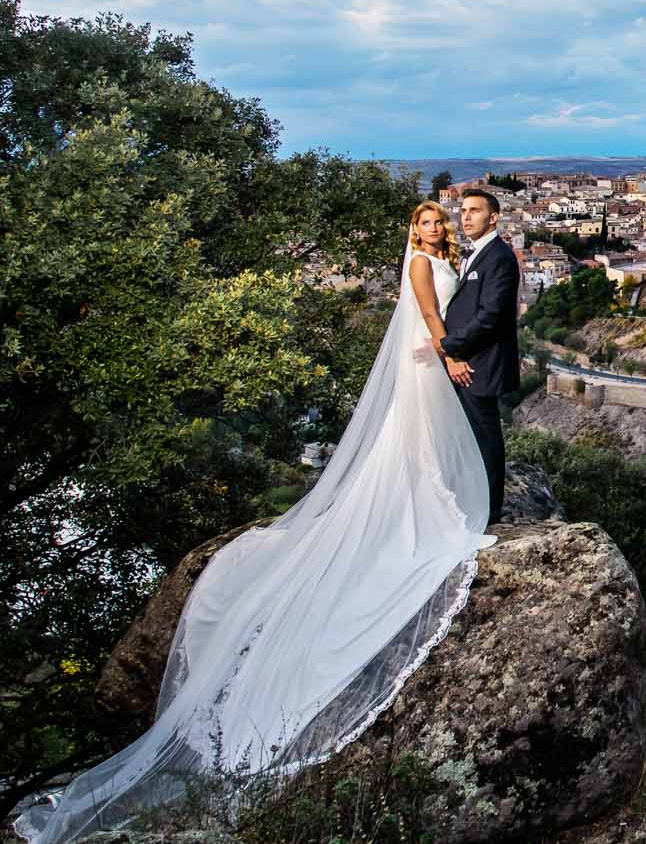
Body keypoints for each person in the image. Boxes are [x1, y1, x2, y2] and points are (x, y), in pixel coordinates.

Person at [12, 201, 498, 843]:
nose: (437, 228)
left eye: (442, 221)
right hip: (427, 358)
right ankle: (423, 506)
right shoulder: (417, 263)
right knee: (415, 443)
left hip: (433, 359)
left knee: (426, 443)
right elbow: (432, 316)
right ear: (416, 230)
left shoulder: (446, 258)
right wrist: (448, 355)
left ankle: (431, 497)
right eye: (429, 221)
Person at [438, 189, 520, 525]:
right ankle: (476, 504)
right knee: (470, 434)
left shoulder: (499, 257)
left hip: (479, 362)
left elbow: (491, 317)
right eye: (462, 210)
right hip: (469, 359)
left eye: (474, 210)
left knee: (484, 436)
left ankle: (489, 511)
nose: (465, 217)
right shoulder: (476, 255)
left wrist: (448, 346)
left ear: (494, 217)